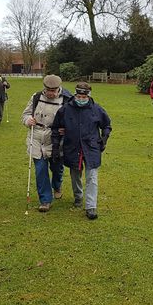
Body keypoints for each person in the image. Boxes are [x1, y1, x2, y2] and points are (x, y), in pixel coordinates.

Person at [51, 82, 111, 220]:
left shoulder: (97, 109)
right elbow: (55, 128)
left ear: (88, 96)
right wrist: (56, 146)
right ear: (75, 95)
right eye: (79, 96)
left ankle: (91, 206)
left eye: (84, 97)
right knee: (75, 175)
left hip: (91, 147)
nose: (81, 99)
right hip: (72, 147)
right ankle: (78, 197)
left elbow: (107, 125)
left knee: (92, 177)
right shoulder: (65, 110)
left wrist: (104, 138)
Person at [21, 75, 72, 212]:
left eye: (53, 90)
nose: (51, 93)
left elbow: (73, 119)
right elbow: (25, 114)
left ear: (58, 89)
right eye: (48, 90)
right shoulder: (36, 97)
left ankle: (57, 184)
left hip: (56, 139)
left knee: (57, 168)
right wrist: (28, 120)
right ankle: (45, 200)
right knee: (40, 170)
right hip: (37, 137)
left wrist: (66, 129)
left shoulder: (67, 99)